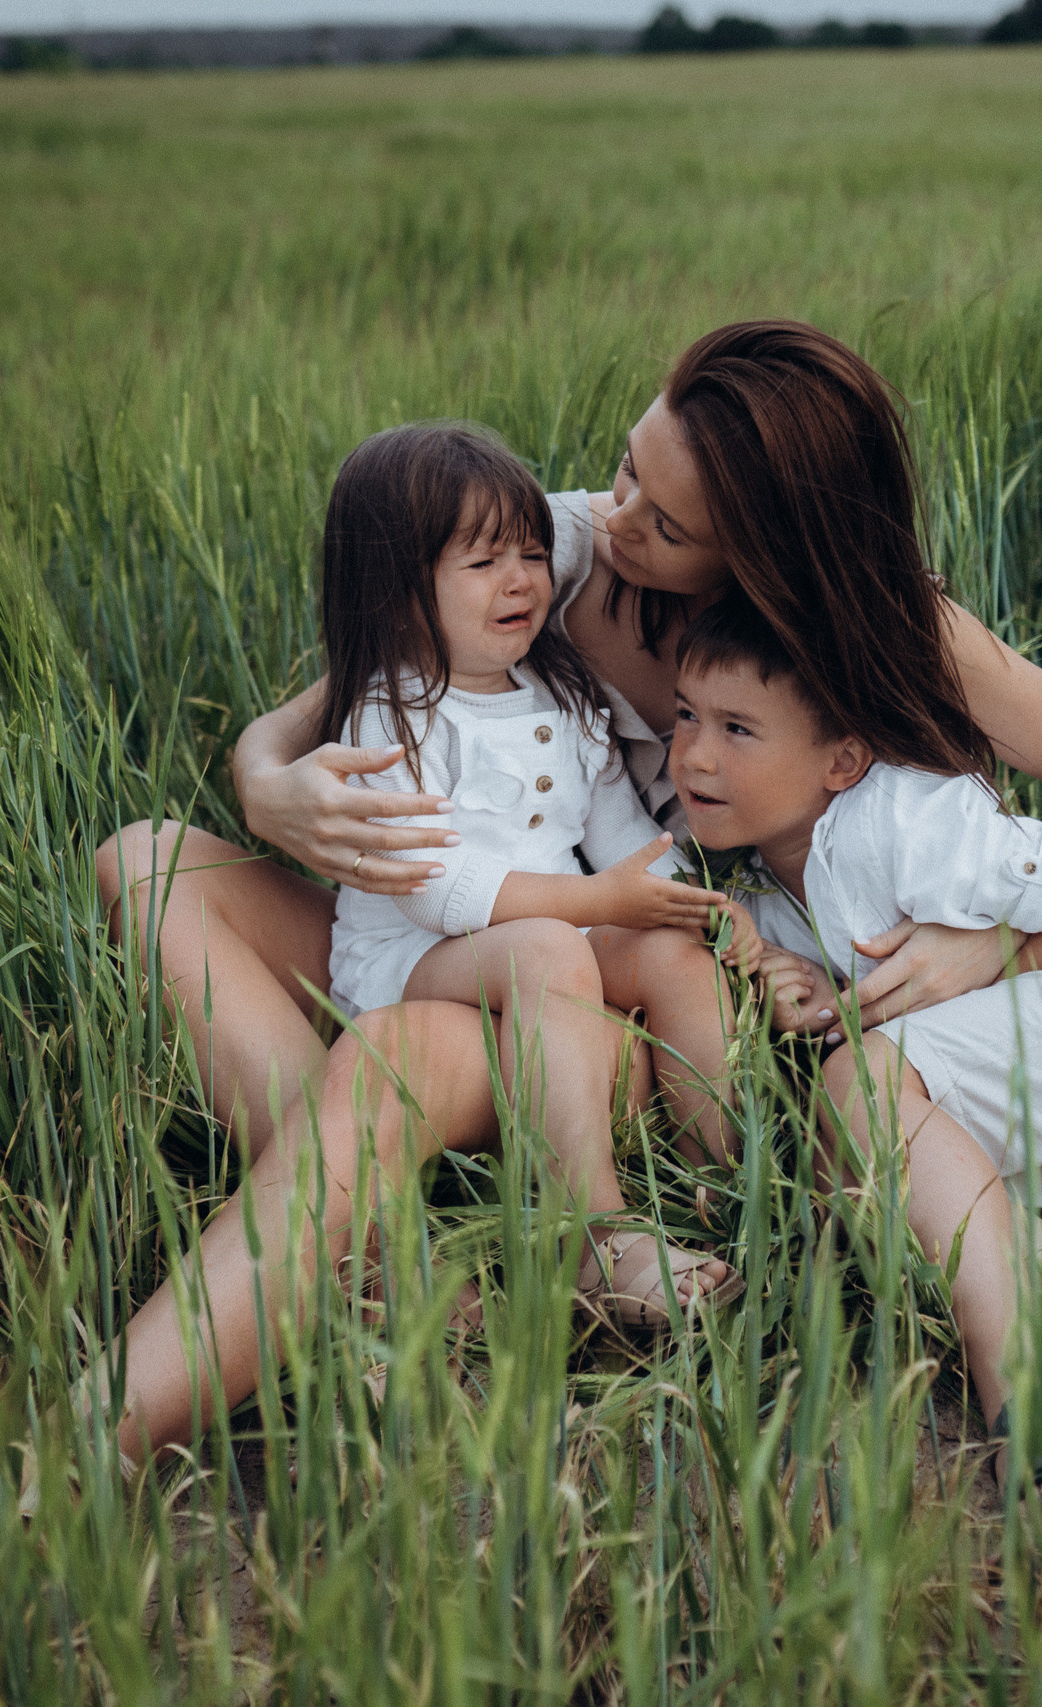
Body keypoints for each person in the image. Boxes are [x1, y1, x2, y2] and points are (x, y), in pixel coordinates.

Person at [89, 320, 1042, 1457]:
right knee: (144, 860)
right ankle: (375, 1260)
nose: (611, 519)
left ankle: (404, 1267)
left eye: (664, 522)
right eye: (624, 468)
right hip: (452, 928)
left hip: (614, 977)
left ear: (763, 561)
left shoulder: (863, 629)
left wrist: (986, 928)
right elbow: (328, 702)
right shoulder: (547, 549)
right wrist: (266, 789)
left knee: (410, 1053)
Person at [668, 596, 1042, 1429]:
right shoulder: (751, 869)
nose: (695, 756)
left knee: (864, 1087)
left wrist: (994, 954)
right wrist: (811, 991)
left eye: (737, 729)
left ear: (843, 760)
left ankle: (1019, 1386)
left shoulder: (904, 819)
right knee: (852, 1180)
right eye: (683, 716)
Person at [314, 420, 747, 1324]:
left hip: (555, 933)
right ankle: (588, 1235)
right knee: (549, 951)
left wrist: (675, 901)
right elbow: (435, 888)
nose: (521, 580)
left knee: (672, 959)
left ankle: (729, 1182)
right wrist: (599, 902)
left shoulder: (562, 690)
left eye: (531, 553)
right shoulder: (390, 714)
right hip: (415, 961)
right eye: (482, 564)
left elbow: (619, 828)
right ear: (399, 594)